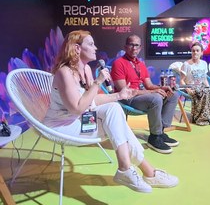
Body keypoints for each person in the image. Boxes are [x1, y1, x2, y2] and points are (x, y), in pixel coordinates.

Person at [42, 30, 178, 193]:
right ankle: (144, 171)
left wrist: (119, 95)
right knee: (117, 119)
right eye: (91, 44)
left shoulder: (85, 70)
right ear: (77, 48)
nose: (96, 47)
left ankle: (133, 169)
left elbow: (90, 101)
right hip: (61, 125)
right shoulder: (64, 72)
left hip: (79, 120)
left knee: (114, 109)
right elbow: (77, 108)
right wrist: (98, 82)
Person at [110, 34, 180, 154]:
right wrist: (153, 91)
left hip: (140, 96)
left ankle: (160, 131)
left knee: (174, 95)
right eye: (131, 44)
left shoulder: (140, 64)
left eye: (136, 45)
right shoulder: (118, 63)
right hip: (126, 99)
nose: (134, 48)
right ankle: (154, 137)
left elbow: (149, 85)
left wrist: (161, 87)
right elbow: (124, 92)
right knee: (156, 99)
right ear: (125, 47)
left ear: (140, 48)